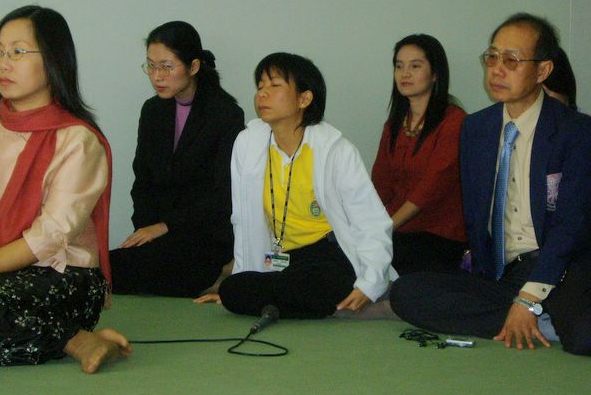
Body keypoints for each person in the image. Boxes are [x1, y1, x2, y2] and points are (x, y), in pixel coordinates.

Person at [390, 13, 591, 356]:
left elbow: (569, 228)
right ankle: (541, 321)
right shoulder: (476, 128)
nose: (497, 70)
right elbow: (476, 214)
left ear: (542, 70)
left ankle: (534, 312)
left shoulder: (575, 132)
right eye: (492, 57)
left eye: (511, 60)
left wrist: (529, 297)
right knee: (406, 292)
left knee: (584, 338)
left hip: (560, 266)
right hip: (505, 274)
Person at [0, 5, 131, 372]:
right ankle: (71, 339)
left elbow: (47, 239)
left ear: (53, 61)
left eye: (18, 51)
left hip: (61, 277)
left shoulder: (79, 140)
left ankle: (71, 337)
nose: (3, 63)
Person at [197, 52, 396, 319]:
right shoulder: (248, 143)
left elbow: (371, 222)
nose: (262, 94)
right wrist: (242, 276)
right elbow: (242, 220)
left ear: (304, 98)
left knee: (319, 281)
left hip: (330, 254)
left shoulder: (335, 149)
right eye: (260, 86)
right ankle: (318, 305)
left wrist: (370, 284)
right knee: (233, 289)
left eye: (275, 85)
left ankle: (329, 300)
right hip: (282, 258)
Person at [110, 21, 244, 297]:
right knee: (104, 266)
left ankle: (217, 274)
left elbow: (223, 194)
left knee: (110, 271)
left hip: (204, 237)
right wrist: (146, 229)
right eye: (151, 66)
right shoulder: (152, 111)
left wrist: (165, 227)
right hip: (160, 237)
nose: (157, 76)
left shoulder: (225, 114)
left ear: (193, 66)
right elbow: (142, 181)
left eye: (167, 67)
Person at [372, 34, 467, 275]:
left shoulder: (454, 121)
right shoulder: (394, 125)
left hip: (438, 235)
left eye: (415, 66)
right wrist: (365, 225)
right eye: (399, 66)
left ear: (435, 74)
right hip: (396, 230)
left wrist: (385, 227)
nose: (405, 74)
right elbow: (380, 184)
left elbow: (429, 189)